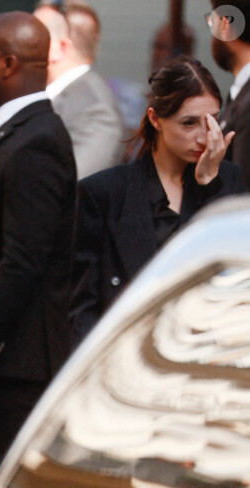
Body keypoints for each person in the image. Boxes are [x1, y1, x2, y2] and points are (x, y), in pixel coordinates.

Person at [0, 11, 76, 488]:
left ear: (7, 65)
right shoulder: (12, 132)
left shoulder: (37, 140)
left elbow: (22, 262)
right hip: (2, 368)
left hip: (15, 373)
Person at [71, 57, 246, 346]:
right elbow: (82, 307)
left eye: (212, 120)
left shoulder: (227, 181)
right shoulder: (105, 192)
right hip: (128, 358)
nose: (204, 137)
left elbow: (228, 279)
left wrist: (208, 186)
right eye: (188, 123)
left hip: (203, 358)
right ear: (156, 119)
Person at [34, 1, 124, 178]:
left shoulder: (97, 113)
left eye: (31, 35)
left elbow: (65, 184)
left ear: (58, 48)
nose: (18, 45)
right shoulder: (41, 96)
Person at [208, 0, 250, 189]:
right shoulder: (241, 97)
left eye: (212, 23)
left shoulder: (246, 105)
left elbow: (242, 193)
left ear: (226, 25)